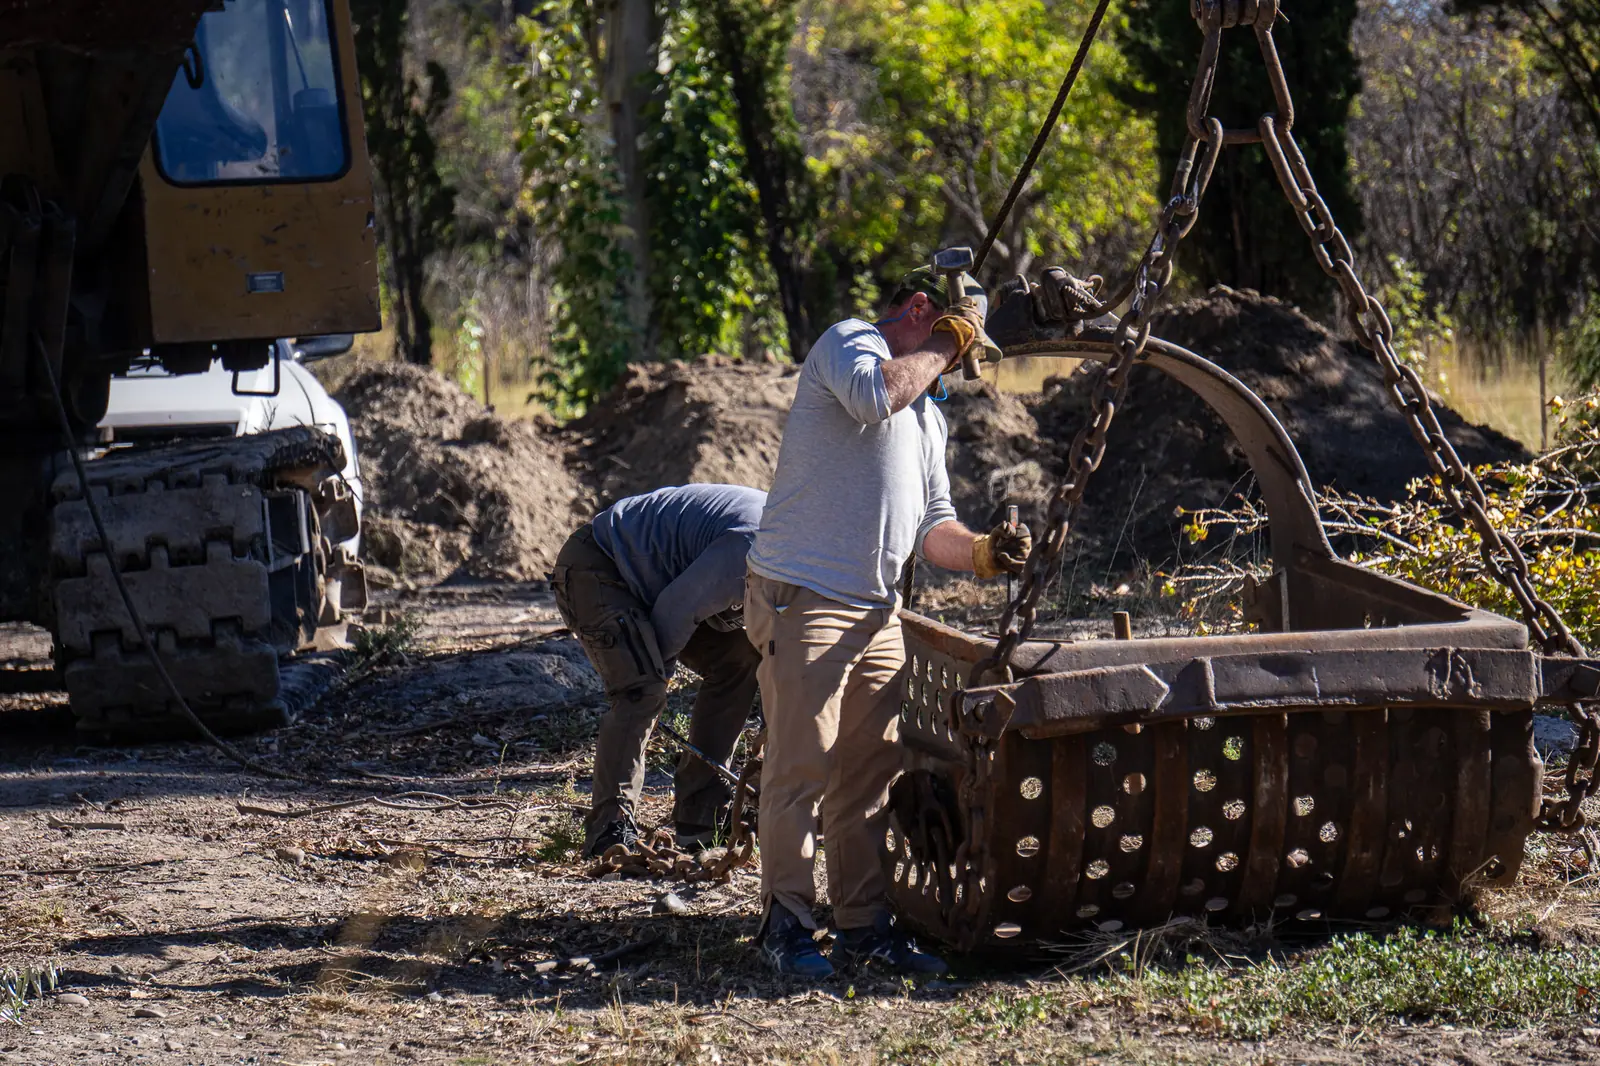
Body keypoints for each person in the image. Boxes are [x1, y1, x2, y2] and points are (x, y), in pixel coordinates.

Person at [744, 267, 1032, 978]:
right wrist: (944, 342)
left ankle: (862, 930)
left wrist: (985, 555)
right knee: (799, 768)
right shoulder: (850, 344)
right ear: (920, 309)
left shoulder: (930, 415)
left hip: (876, 612)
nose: (961, 361)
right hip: (805, 596)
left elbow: (933, 524)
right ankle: (785, 927)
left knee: (867, 777)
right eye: (958, 339)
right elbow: (876, 398)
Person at [550, 484, 766, 857]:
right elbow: (675, 610)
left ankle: (701, 815)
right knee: (643, 689)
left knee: (741, 662)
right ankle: (609, 831)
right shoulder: (750, 552)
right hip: (599, 566)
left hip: (665, 581)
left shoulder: (804, 567)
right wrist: (648, 678)